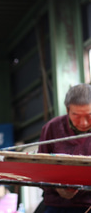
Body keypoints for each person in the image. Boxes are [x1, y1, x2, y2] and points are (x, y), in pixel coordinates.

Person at [38, 83, 91, 213]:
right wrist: (57, 188)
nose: (83, 123)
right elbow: (40, 170)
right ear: (67, 110)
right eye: (76, 116)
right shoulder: (51, 128)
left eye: (89, 115)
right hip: (58, 203)